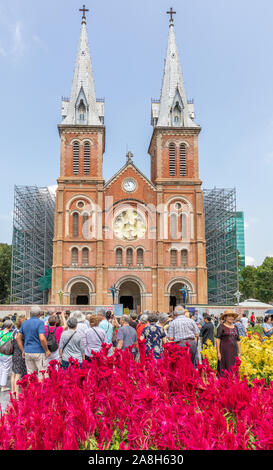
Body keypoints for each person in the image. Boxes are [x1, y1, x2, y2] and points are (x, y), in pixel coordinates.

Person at [16, 306, 51, 380]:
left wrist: (23, 350)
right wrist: (47, 350)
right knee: (42, 375)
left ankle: (32, 391)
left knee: (31, 376)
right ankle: (40, 391)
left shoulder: (25, 323)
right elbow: (42, 338)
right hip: (39, 352)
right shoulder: (40, 322)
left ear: (30, 313)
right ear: (39, 314)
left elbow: (18, 337)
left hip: (28, 351)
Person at [216, 310, 241, 377]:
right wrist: (218, 352)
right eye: (229, 316)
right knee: (224, 367)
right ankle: (223, 384)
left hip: (234, 352)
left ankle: (232, 383)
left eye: (232, 316)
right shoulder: (221, 327)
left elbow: (238, 340)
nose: (231, 318)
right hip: (224, 351)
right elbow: (218, 339)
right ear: (225, 317)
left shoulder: (235, 327)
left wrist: (239, 353)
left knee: (233, 367)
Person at [11, 315, 27, 397]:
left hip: (14, 353)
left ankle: (13, 391)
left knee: (13, 373)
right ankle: (17, 394)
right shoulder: (22, 332)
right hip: (20, 353)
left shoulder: (14, 331)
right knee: (18, 374)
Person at [0, 320, 15, 392]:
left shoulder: (0, 332)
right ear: (11, 326)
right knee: (6, 369)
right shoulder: (11, 335)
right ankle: (3, 386)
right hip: (7, 354)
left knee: (1, 368)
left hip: (0, 353)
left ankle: (1, 383)